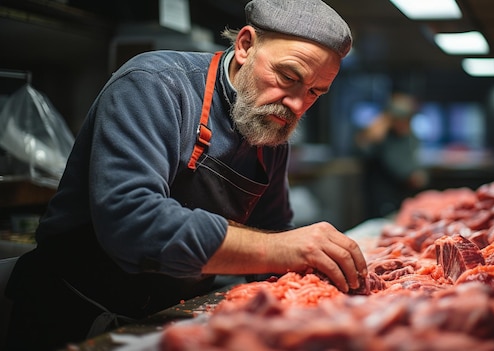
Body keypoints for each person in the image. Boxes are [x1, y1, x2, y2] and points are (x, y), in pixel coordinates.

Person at [4, 0, 367, 349]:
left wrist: (317, 294)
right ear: (245, 45)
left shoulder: (270, 127)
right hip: (71, 314)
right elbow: (133, 223)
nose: (297, 105)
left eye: (316, 92)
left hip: (168, 318)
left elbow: (273, 232)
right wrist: (281, 249)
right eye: (289, 77)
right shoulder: (154, 85)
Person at [355, 92, 429, 219]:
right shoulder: (380, 135)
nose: (403, 124)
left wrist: (417, 173)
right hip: (381, 196)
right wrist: (372, 133)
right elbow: (361, 149)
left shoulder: (411, 136)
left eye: (407, 119)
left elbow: (414, 161)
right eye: (399, 119)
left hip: (404, 195)